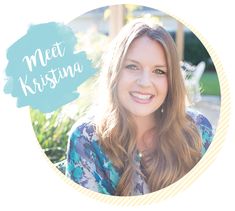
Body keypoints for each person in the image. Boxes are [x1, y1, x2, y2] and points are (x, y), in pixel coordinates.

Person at [65, 19, 214, 196]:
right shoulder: (86, 139)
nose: (144, 82)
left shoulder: (197, 130)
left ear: (171, 80)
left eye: (159, 71)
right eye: (132, 67)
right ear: (114, 72)